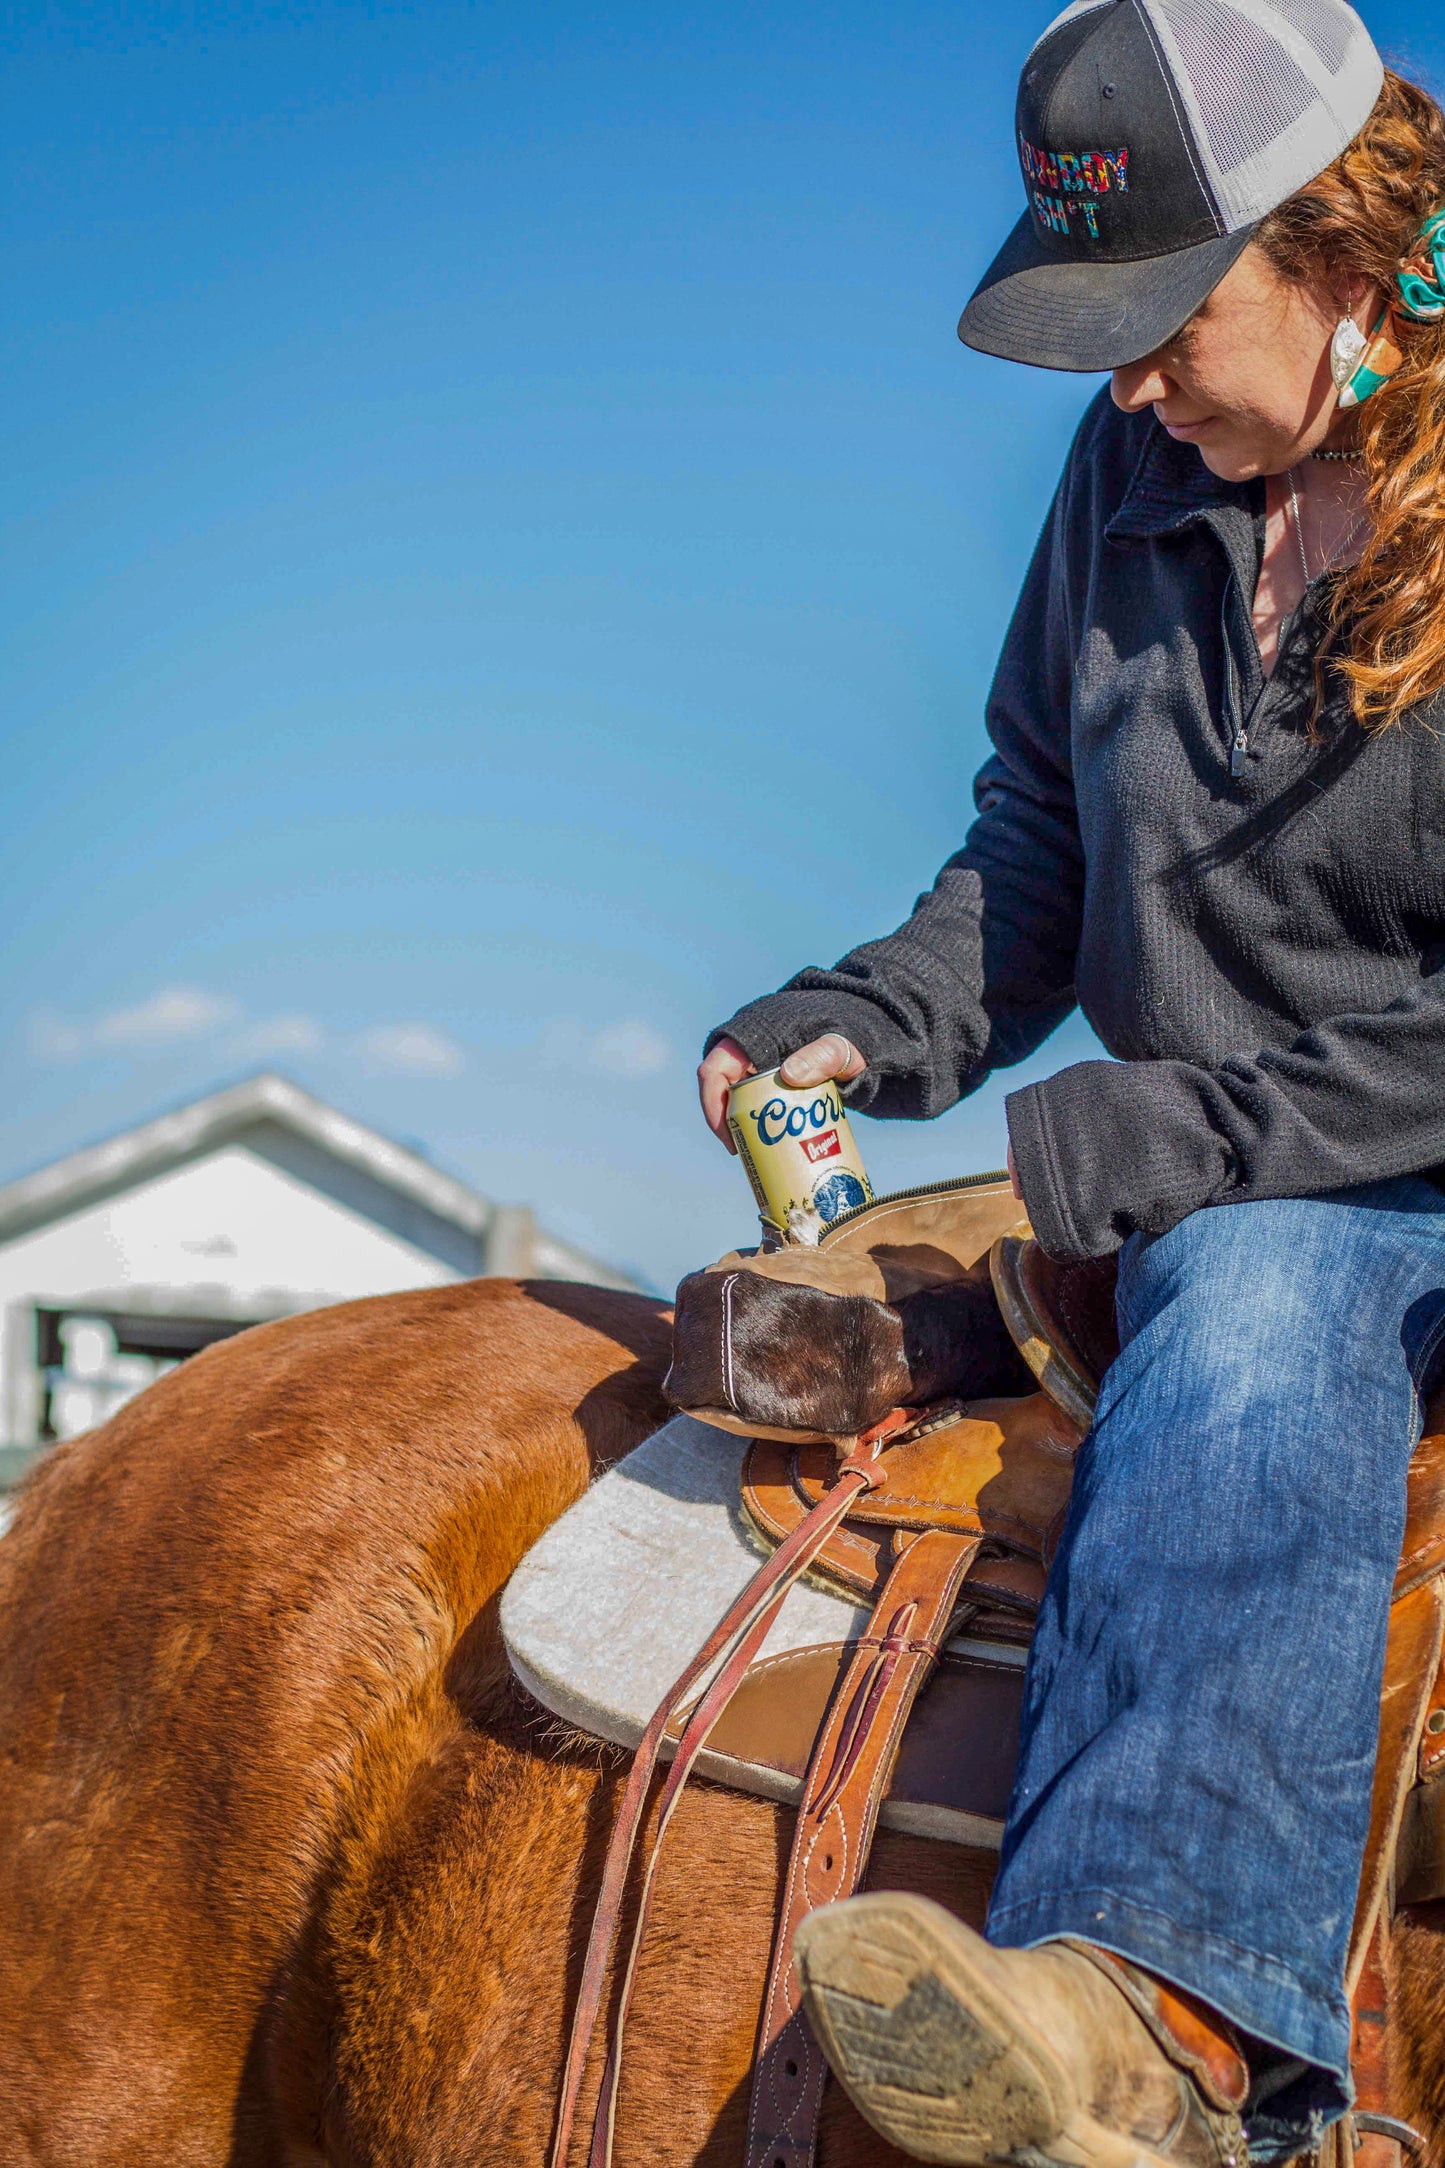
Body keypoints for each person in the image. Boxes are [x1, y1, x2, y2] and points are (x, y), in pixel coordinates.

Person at [695, 3, 1445, 2164]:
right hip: (1195, 1166)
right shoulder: (1134, 468)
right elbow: (1038, 833)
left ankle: (1151, 2017)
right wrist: (875, 1015)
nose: (1120, 382)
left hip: (1356, 1180)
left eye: (1160, 320)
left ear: (1334, 240)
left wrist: (1185, 1146)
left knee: (1267, 1288)